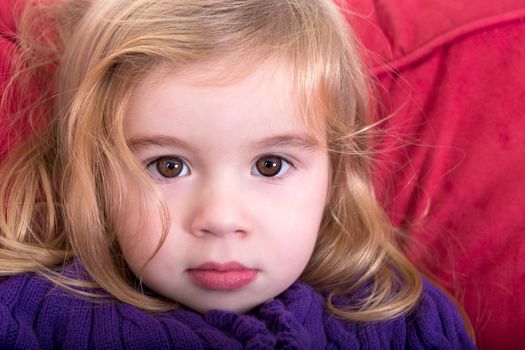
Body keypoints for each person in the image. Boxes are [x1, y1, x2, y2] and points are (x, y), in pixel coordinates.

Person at [0, 0, 475, 348]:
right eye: (169, 166)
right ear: (96, 175)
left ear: (336, 172)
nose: (222, 219)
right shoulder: (32, 321)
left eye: (270, 165)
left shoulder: (396, 321)